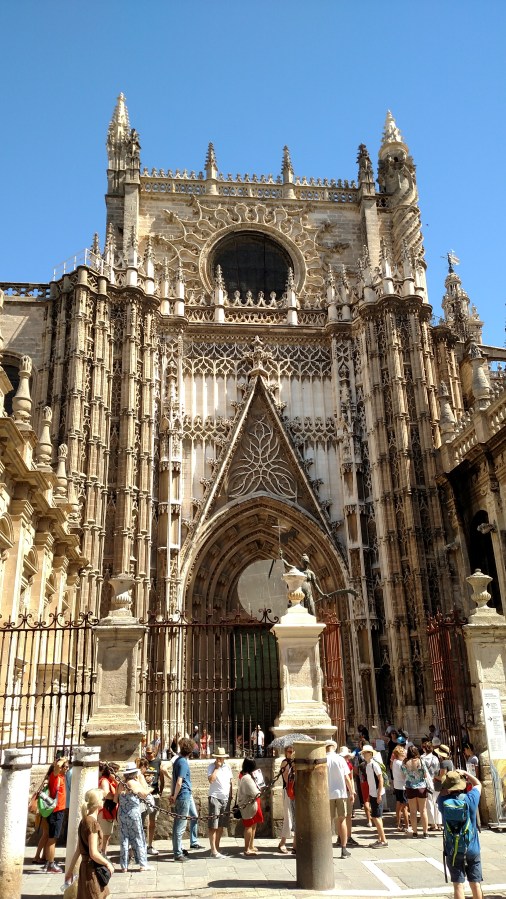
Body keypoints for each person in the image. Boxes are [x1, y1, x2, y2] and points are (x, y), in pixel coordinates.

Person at [437, 768, 483, 899]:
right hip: (472, 847)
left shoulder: (442, 801)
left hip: (453, 848)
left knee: (458, 885)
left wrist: (445, 783)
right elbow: (478, 784)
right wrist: (466, 773)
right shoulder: (470, 799)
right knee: (475, 884)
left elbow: (442, 792)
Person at [65, 788, 114, 898]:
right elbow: (93, 853)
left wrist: (70, 871)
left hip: (86, 869)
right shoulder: (92, 823)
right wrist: (108, 864)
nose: (104, 801)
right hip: (92, 871)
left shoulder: (84, 820)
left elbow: (78, 850)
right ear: (98, 802)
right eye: (103, 799)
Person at [116, 763, 151, 872]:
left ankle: (124, 866)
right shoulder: (134, 783)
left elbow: (115, 799)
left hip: (122, 813)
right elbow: (144, 794)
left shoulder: (120, 784)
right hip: (133, 813)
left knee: (124, 839)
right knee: (138, 837)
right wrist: (151, 788)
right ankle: (143, 864)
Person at [171, 736, 199, 861]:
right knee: (180, 826)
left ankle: (178, 850)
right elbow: (179, 782)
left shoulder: (178, 760)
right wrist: (174, 796)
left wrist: (173, 795)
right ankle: (178, 853)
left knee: (180, 823)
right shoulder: (182, 762)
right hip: (183, 795)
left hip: (183, 795)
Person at [326, 740, 354, 859]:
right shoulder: (340, 759)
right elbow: (347, 777)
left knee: (327, 822)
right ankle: (343, 848)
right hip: (341, 793)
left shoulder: (323, 760)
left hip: (327, 794)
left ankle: (326, 849)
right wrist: (351, 792)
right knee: (342, 820)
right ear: (334, 747)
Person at [207, 747, 233, 858]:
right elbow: (211, 780)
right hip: (215, 797)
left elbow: (230, 782)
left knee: (221, 826)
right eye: (219, 758)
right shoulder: (211, 767)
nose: (220, 759)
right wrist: (216, 768)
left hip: (225, 799)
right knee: (213, 825)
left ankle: (217, 848)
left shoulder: (228, 767)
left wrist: (231, 796)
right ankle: (213, 850)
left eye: (222, 758)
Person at [44, 757, 68, 873]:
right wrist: (63, 759)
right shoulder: (55, 776)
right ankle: (51, 864)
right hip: (56, 811)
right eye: (66, 767)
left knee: (52, 838)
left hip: (59, 810)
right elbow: (57, 766)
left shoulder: (61, 777)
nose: (67, 769)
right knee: (52, 839)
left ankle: (48, 861)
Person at [361, 745, 388, 848]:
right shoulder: (368, 765)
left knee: (376, 817)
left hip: (377, 793)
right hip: (373, 793)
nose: (364, 754)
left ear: (370, 754)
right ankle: (380, 839)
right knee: (377, 817)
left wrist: (379, 794)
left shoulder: (374, 765)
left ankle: (383, 841)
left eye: (366, 753)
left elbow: (380, 779)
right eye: (363, 753)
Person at [402, 745, 430, 838]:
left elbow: (404, 775)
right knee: (423, 810)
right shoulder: (421, 761)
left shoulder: (405, 762)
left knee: (413, 811)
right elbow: (425, 775)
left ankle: (415, 832)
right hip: (421, 787)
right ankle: (425, 832)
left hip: (410, 787)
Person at [237, 757, 263, 856]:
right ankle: (247, 849)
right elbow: (255, 793)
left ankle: (249, 847)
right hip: (247, 805)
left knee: (251, 825)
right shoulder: (247, 778)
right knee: (248, 826)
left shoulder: (246, 777)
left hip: (248, 804)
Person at [143, 744, 165, 855]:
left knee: (152, 821)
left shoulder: (158, 762)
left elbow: (162, 778)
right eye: (146, 753)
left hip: (154, 793)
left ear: (154, 753)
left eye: (149, 753)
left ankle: (150, 844)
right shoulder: (143, 762)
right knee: (142, 821)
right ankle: (141, 844)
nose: (147, 755)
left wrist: (160, 791)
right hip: (143, 794)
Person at [339, 746, 360, 847]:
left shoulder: (349, 765)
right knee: (344, 816)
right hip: (343, 791)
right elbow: (349, 778)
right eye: (345, 756)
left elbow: (351, 778)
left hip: (345, 791)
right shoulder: (343, 764)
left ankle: (345, 836)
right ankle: (344, 837)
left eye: (347, 756)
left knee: (347, 815)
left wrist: (353, 790)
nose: (346, 758)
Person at [98, 762, 119, 857]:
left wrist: (114, 780)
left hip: (110, 809)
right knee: (104, 834)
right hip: (104, 810)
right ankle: (101, 854)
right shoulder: (105, 781)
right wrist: (117, 797)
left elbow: (121, 787)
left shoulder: (111, 781)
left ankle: (104, 853)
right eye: (115, 772)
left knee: (107, 834)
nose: (116, 774)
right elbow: (107, 794)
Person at [278, 745, 296, 854]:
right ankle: (282, 843)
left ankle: (294, 844)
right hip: (288, 791)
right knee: (288, 817)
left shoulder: (295, 762)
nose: (291, 753)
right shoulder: (285, 762)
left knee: (295, 818)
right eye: (289, 751)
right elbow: (287, 780)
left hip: (295, 793)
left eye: (293, 751)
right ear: (285, 752)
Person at [391, 745, 409, 831]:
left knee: (398, 805)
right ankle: (407, 825)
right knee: (405, 807)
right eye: (404, 754)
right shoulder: (401, 764)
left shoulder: (394, 762)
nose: (405, 756)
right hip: (402, 786)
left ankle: (398, 823)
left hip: (397, 785)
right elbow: (404, 775)